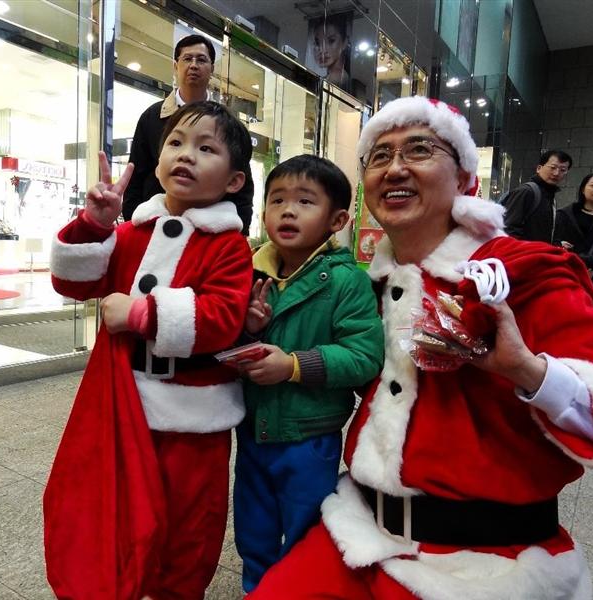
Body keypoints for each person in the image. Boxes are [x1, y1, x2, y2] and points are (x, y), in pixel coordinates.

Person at [249, 96, 593, 599]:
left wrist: (529, 371)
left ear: (462, 177)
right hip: (355, 532)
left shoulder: (523, 273)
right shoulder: (366, 286)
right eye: (379, 156)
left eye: (419, 149)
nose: (395, 168)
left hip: (486, 566)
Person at [44, 101, 254, 600]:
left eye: (206, 149)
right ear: (157, 162)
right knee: (111, 510)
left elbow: (222, 317)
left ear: (234, 181)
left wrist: (141, 314)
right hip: (122, 405)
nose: (186, 155)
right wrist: (93, 225)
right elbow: (73, 283)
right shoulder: (130, 233)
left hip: (193, 420)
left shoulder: (229, 245)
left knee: (188, 524)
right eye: (176, 143)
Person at [234, 155, 384, 592]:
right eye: (277, 200)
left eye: (305, 201)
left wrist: (293, 365)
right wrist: (249, 329)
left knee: (304, 530)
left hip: (310, 437)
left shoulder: (346, 281)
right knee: (253, 527)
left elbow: (364, 357)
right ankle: (257, 590)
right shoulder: (252, 270)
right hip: (254, 431)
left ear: (337, 220)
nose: (288, 211)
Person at [122, 33, 254, 234]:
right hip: (154, 229)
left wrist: (239, 231)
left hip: (208, 235)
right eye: (187, 59)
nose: (193, 65)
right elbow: (135, 176)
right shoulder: (152, 117)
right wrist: (135, 226)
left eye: (201, 60)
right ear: (175, 66)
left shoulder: (228, 125)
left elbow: (243, 189)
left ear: (212, 69)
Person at [502, 149, 572, 243]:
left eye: (562, 170)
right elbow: (509, 229)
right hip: (524, 252)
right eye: (552, 167)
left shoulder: (549, 196)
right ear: (539, 168)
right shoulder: (527, 192)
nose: (556, 173)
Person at [310, 14, 351, 90]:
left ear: (345, 42)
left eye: (331, 41)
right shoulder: (335, 76)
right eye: (318, 43)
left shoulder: (337, 76)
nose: (322, 50)